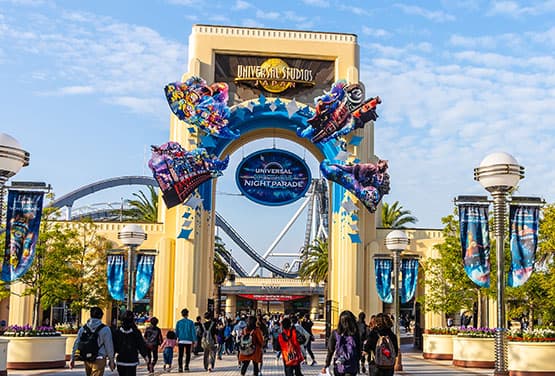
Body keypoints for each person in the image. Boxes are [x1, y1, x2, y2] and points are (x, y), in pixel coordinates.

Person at [70, 306, 116, 376]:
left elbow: (76, 343)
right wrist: (111, 360)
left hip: (87, 358)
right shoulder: (105, 329)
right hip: (99, 358)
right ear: (101, 316)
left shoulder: (83, 328)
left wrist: (72, 358)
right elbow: (109, 346)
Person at [323, 310, 360, 376]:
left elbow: (330, 350)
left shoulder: (335, 333)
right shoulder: (355, 334)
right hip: (352, 365)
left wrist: (327, 364)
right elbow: (359, 349)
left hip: (339, 364)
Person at [113, 310, 149, 376]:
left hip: (121, 360)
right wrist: (146, 357)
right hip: (132, 361)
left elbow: (114, 346)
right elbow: (141, 345)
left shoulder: (117, 332)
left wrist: (111, 359)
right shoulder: (136, 332)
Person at [175, 308, 197, 372]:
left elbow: (177, 332)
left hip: (181, 340)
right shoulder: (191, 322)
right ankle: (186, 366)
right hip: (189, 341)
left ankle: (180, 367)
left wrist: (176, 339)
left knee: (180, 355)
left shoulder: (179, 322)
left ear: (182, 314)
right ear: (188, 314)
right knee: (188, 354)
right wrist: (195, 340)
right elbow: (193, 332)